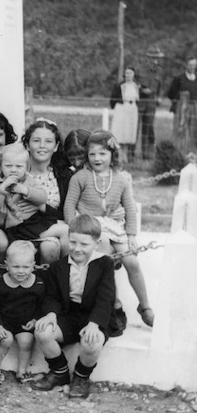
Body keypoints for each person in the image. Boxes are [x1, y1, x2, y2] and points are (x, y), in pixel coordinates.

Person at [63, 131, 154, 328]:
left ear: (113, 155)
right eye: (92, 154)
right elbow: (69, 206)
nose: (97, 158)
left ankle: (145, 306)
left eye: (102, 153)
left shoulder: (120, 179)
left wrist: (131, 235)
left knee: (131, 260)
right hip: (92, 227)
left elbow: (129, 208)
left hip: (114, 227)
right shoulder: (81, 177)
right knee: (104, 259)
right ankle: (112, 304)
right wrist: (76, 229)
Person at [32, 215, 115, 398]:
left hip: (94, 315)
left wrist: (95, 324)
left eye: (84, 244)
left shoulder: (105, 264)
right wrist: (51, 314)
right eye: (73, 242)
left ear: (97, 243)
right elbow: (52, 296)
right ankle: (59, 372)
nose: (77, 249)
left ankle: (81, 377)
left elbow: (106, 298)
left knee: (92, 343)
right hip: (68, 315)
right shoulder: (59, 266)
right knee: (42, 332)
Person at [0, 144, 65, 263]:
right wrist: (2, 188)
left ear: (26, 167)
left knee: (66, 229)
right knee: (64, 229)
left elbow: (42, 197)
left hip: (33, 222)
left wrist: (25, 190)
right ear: (0, 166)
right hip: (18, 228)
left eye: (19, 166)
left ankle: (63, 265)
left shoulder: (28, 180)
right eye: (8, 166)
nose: (13, 169)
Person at [0, 240, 44, 384]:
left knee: (26, 341)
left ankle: (22, 371)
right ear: (7, 265)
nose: (21, 271)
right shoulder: (1, 284)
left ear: (33, 266)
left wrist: (35, 319)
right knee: (6, 340)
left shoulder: (38, 284)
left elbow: (41, 305)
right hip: (5, 323)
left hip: (24, 324)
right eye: (16, 266)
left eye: (26, 267)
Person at [22, 119, 72, 261]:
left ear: (56, 146)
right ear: (27, 144)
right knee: (53, 243)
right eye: (36, 140)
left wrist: (41, 206)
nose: (42, 146)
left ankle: (65, 279)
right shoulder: (18, 173)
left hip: (56, 230)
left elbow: (66, 211)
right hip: (25, 231)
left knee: (60, 240)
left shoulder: (64, 175)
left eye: (49, 141)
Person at [167, 56, 197, 153]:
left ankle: (192, 153)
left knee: (193, 131)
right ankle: (179, 152)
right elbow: (170, 94)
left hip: (195, 109)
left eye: (194, 65)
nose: (192, 67)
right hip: (182, 109)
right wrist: (179, 101)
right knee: (180, 131)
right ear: (186, 65)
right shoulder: (179, 78)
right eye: (190, 65)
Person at [109, 67, 140, 161]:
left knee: (129, 132)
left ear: (134, 74)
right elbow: (113, 99)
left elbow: (137, 98)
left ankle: (126, 154)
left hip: (132, 109)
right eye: (126, 73)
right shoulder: (120, 85)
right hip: (122, 108)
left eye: (130, 73)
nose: (128, 75)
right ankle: (119, 155)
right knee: (121, 132)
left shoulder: (136, 85)